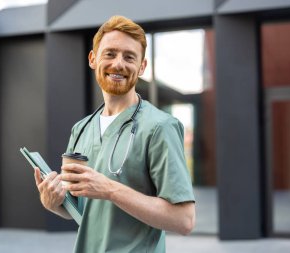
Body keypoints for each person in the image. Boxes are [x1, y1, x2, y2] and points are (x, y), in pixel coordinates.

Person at [34, 15, 195, 252]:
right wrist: (53, 202)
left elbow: (184, 220)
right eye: (109, 53)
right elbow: (81, 209)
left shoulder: (161, 127)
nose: (118, 64)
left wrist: (110, 189)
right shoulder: (81, 129)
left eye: (129, 57)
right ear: (93, 59)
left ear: (141, 67)